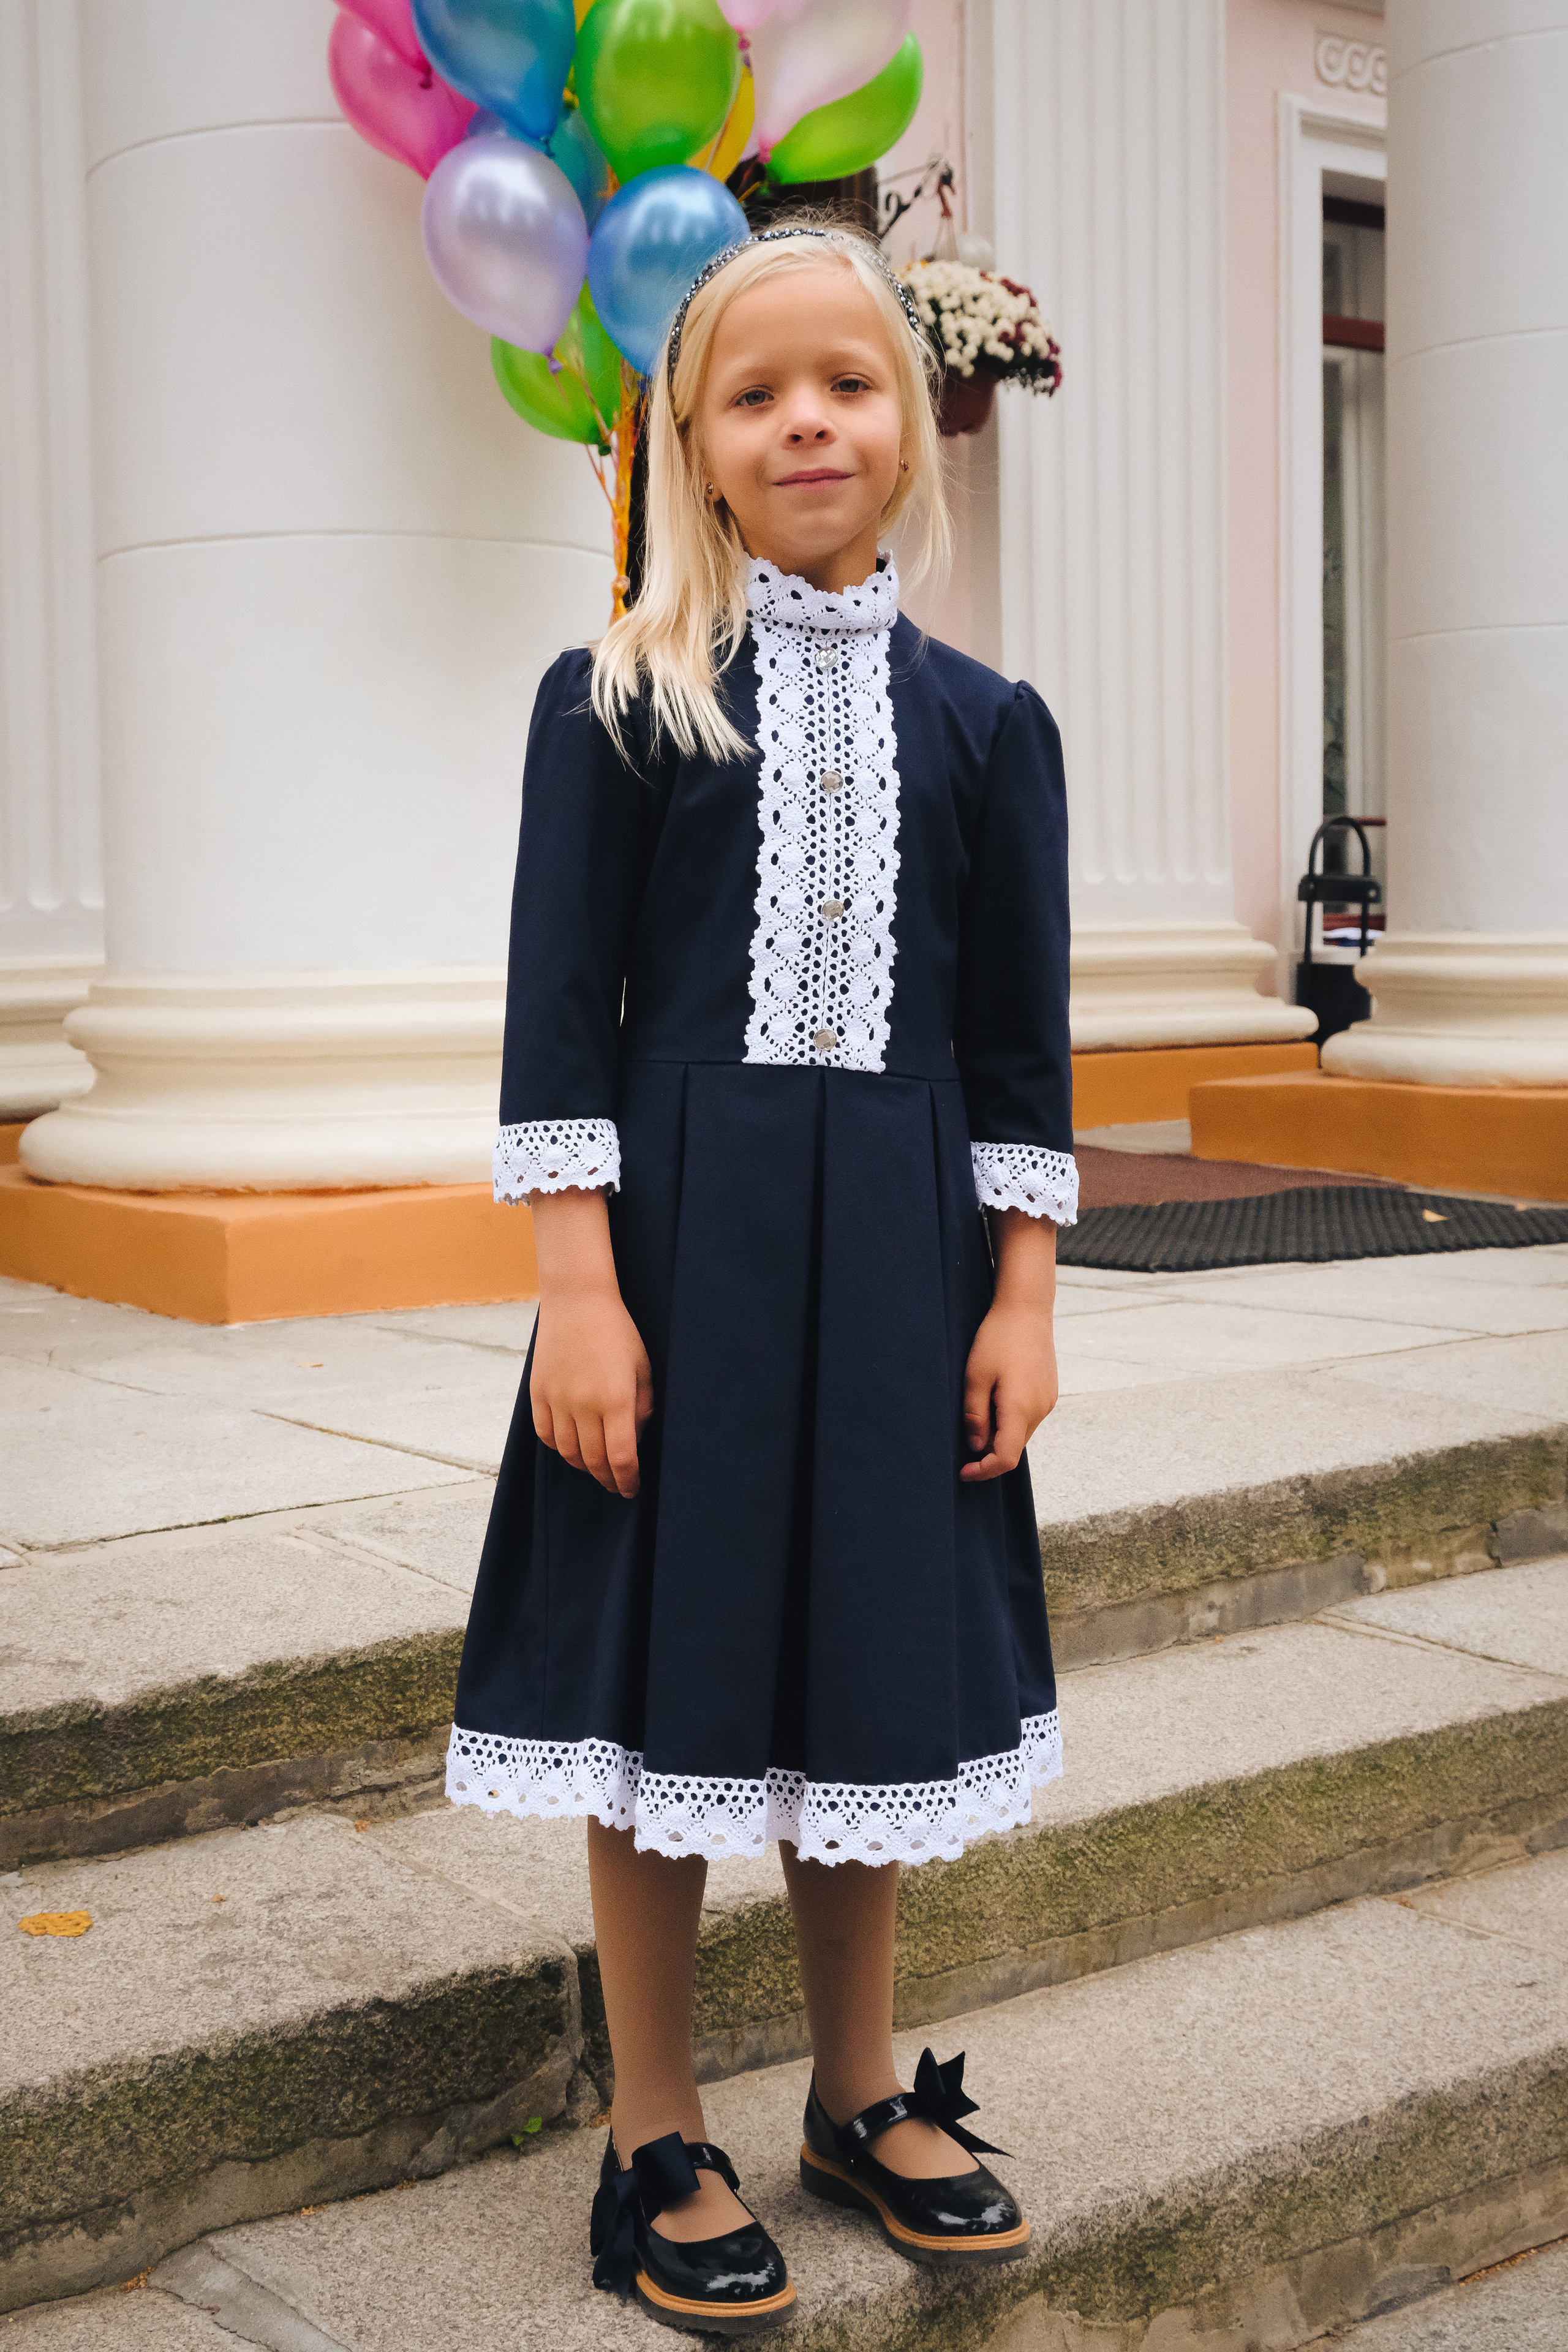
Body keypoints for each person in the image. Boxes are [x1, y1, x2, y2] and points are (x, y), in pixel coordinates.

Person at [446, 220, 1076, 2337]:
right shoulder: (617, 699)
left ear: (914, 428)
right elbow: (559, 1013)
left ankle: (855, 2088)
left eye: (852, 384)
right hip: (684, 1271)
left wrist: (1022, 1297)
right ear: (695, 450)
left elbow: (1017, 1054)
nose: (808, 419)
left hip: (902, 1274)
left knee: (872, 1674)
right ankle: (652, 2121)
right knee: (669, 1685)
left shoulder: (994, 728)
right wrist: (579, 1289)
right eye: (755, 393)